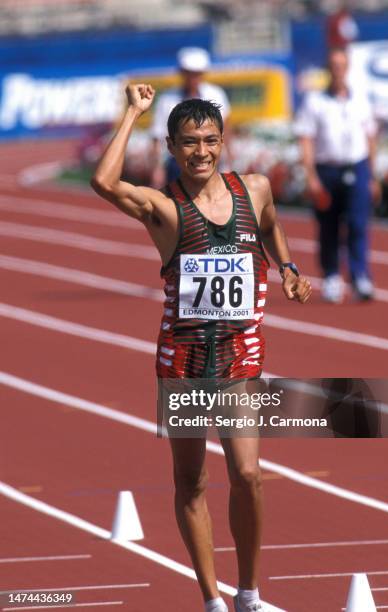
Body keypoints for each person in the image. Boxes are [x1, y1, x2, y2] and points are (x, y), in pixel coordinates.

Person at [91, 83, 311, 612]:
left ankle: (250, 595)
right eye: (188, 143)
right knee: (192, 480)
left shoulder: (254, 189)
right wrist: (132, 114)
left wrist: (287, 267)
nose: (201, 152)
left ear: (223, 140)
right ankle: (212, 599)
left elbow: (271, 227)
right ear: (171, 147)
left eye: (210, 141)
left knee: (249, 475)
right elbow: (103, 181)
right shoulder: (164, 210)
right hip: (184, 364)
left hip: (240, 357)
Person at [295, 47, 381, 303]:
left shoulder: (360, 99)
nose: (338, 70)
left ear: (348, 68)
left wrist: (373, 176)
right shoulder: (315, 101)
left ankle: (359, 276)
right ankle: (332, 275)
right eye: (333, 65)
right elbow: (306, 139)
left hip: (357, 166)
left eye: (342, 65)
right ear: (328, 69)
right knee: (328, 226)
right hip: (327, 169)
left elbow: (370, 137)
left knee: (357, 224)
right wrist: (310, 175)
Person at [150, 46, 232, 188]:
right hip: (176, 164)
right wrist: (158, 168)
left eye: (197, 73)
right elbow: (158, 136)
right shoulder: (167, 99)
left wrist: (227, 162)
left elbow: (226, 130)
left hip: (209, 161)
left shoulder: (216, 95)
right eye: (189, 73)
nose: (193, 78)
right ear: (182, 73)